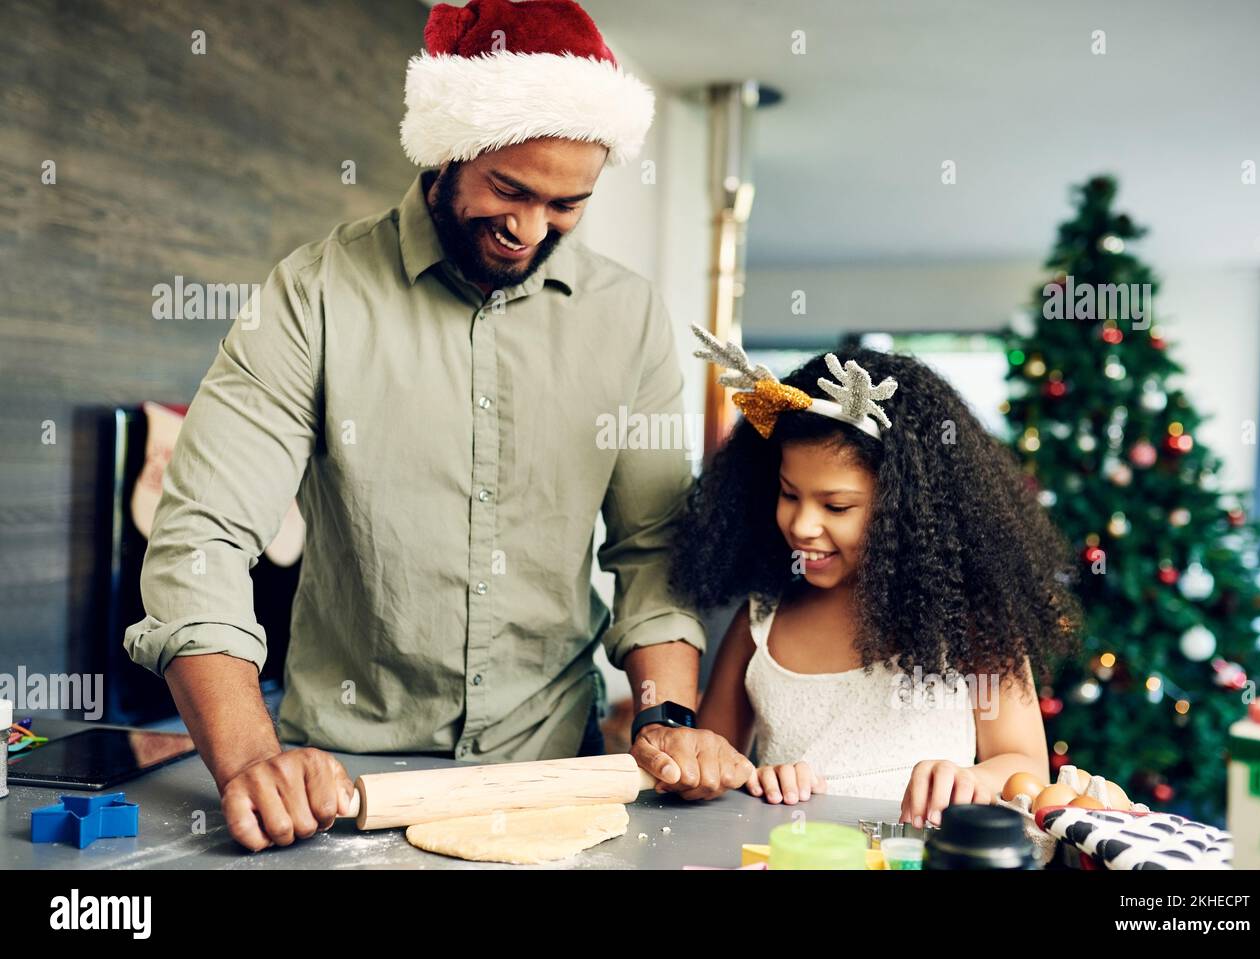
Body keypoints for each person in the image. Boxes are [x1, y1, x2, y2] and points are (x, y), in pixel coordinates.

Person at [125, 0, 751, 853]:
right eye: (509, 190)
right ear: (447, 151)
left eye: (567, 204)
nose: (530, 229)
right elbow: (201, 538)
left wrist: (666, 716)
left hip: (552, 774)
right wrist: (250, 760)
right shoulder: (314, 294)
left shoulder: (628, 319)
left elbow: (652, 550)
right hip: (344, 778)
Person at [669, 327, 1082, 827]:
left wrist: (973, 780)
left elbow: (1026, 768)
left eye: (837, 506)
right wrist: (755, 778)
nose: (801, 525)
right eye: (789, 494)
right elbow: (712, 770)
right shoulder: (760, 619)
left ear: (906, 511)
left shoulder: (972, 622)